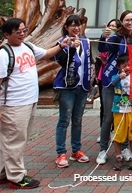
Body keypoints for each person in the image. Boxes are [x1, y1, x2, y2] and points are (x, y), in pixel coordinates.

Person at [0, 17, 71, 189]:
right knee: (15, 141)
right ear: (6, 34)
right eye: (17, 32)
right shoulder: (3, 54)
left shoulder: (27, 46)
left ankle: (1, 173)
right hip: (13, 104)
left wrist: (62, 45)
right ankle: (17, 177)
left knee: (14, 139)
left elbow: (47, 53)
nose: (22, 34)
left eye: (24, 30)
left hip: (29, 101)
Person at [96, 10, 132, 165]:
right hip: (113, 81)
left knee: (125, 116)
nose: (130, 22)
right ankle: (103, 149)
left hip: (129, 83)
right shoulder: (116, 37)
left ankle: (123, 148)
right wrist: (103, 36)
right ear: (122, 21)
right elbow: (102, 49)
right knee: (108, 117)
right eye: (127, 20)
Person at [53, 15, 93, 168]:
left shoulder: (86, 41)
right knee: (64, 120)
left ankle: (76, 150)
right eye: (72, 25)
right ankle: (61, 153)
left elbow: (88, 61)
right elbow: (61, 61)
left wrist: (91, 80)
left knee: (78, 120)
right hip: (67, 86)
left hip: (82, 86)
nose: (76, 28)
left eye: (78, 25)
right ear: (66, 28)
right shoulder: (62, 42)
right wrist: (71, 48)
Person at [110, 54, 132, 171]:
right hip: (119, 110)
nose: (127, 67)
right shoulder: (116, 77)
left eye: (129, 65)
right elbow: (111, 84)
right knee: (118, 135)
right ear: (119, 67)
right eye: (124, 65)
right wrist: (120, 77)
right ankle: (119, 157)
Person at [96, 18, 121, 143]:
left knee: (122, 113)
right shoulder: (112, 39)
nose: (111, 28)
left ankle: (122, 143)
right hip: (106, 77)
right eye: (109, 26)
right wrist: (103, 37)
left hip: (124, 80)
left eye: (114, 26)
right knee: (106, 113)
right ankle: (104, 143)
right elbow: (102, 50)